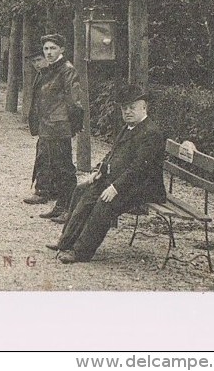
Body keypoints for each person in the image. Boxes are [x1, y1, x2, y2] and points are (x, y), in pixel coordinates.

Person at [47, 83, 167, 264]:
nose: (127, 111)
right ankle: (66, 241)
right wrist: (99, 171)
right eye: (124, 108)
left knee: (104, 204)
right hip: (119, 181)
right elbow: (113, 155)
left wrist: (115, 187)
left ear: (144, 107)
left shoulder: (151, 133)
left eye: (132, 107)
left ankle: (81, 252)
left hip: (143, 187)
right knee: (82, 191)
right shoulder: (128, 127)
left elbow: (139, 169)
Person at [25, 33, 83, 218]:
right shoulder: (50, 69)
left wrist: (72, 126)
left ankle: (70, 209)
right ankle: (61, 206)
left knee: (64, 168)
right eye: (46, 49)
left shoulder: (67, 70)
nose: (48, 52)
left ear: (62, 50)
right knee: (55, 167)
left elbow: (74, 102)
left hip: (59, 126)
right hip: (48, 125)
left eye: (53, 48)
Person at [24, 52, 54, 203]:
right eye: (33, 61)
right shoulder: (41, 74)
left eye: (38, 60)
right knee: (46, 154)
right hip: (44, 122)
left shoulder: (51, 75)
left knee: (45, 155)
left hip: (50, 123)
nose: (36, 64)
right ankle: (49, 189)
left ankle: (42, 191)